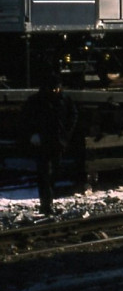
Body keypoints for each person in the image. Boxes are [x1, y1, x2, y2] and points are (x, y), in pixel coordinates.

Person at [22, 72, 78, 215]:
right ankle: (46, 205)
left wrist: (65, 134)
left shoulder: (64, 100)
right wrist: (33, 134)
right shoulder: (36, 101)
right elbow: (26, 120)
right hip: (44, 141)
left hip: (57, 141)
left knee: (53, 173)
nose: (55, 91)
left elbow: (73, 116)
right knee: (45, 173)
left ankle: (48, 202)